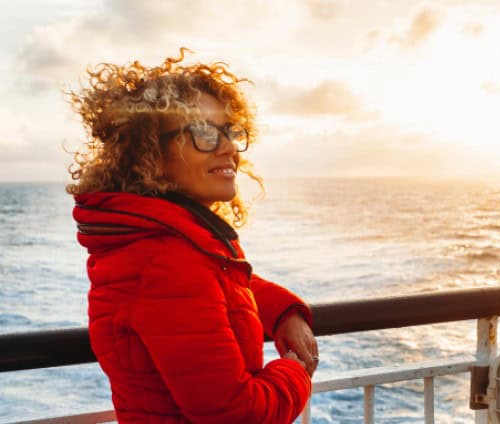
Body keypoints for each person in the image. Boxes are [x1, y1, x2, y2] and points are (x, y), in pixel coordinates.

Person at [67, 48, 318, 423]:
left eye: (230, 131)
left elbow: (217, 282)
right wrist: (296, 369)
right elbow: (237, 414)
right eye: (204, 133)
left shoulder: (162, 241)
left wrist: (282, 312)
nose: (230, 147)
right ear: (150, 153)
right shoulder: (164, 259)